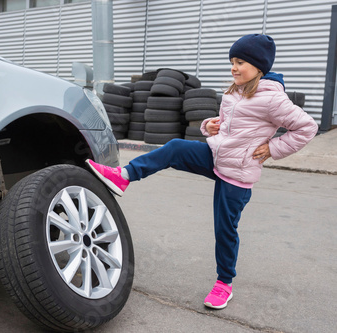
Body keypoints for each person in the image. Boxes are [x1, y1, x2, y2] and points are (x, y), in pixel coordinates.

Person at [86, 34, 318, 310]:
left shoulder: (272, 99)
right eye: (232, 61)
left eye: (240, 62)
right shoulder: (235, 91)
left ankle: (224, 284)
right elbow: (229, 125)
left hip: (238, 174)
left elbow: (307, 128)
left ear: (259, 67)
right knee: (174, 148)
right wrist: (210, 126)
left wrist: (274, 148)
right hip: (217, 156)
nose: (234, 67)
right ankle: (123, 176)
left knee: (225, 230)